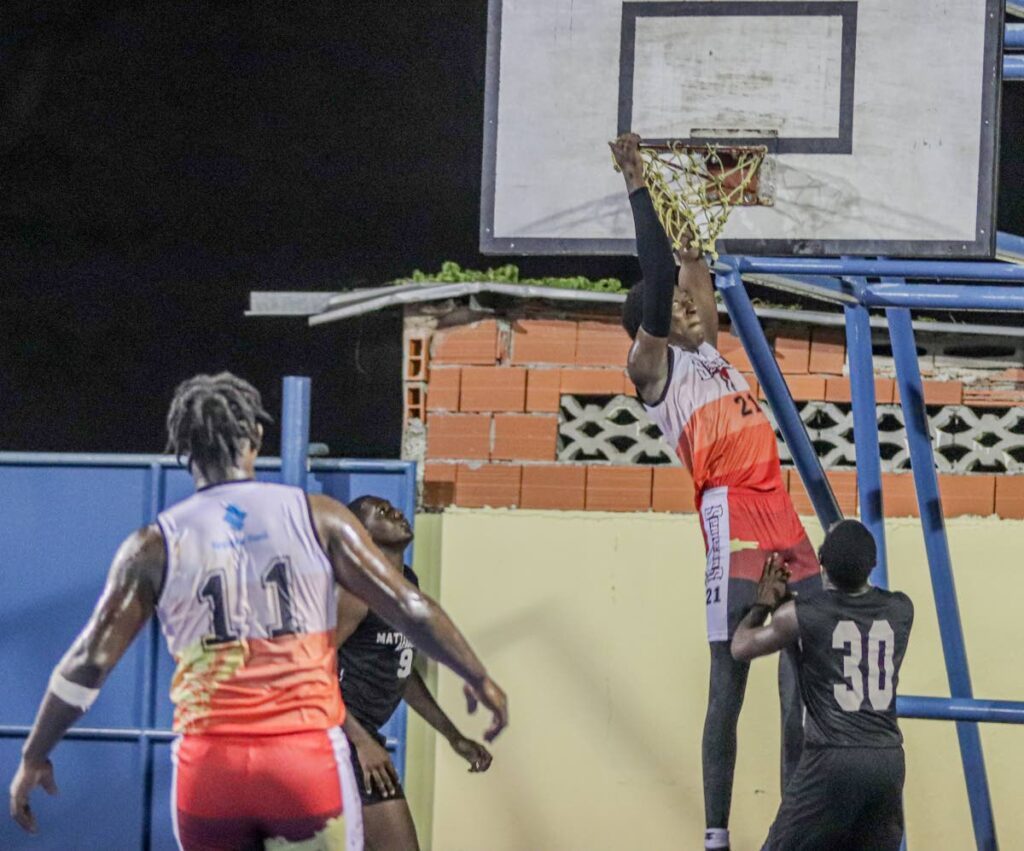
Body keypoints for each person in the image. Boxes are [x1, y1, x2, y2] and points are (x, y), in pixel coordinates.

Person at [8, 372, 508, 850]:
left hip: (210, 767)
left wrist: (34, 754)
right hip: (303, 759)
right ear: (257, 437)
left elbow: (89, 661)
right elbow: (410, 608)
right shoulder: (318, 517)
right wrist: (475, 674)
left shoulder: (154, 545)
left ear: (182, 449)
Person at [609, 132, 822, 851]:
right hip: (730, 515)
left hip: (781, 513)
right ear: (657, 325)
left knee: (806, 670)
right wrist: (640, 183)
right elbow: (661, 275)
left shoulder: (717, 358)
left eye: (691, 307)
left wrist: (704, 189)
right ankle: (717, 836)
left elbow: (692, 262)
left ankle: (797, 821)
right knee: (728, 684)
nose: (692, 311)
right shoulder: (655, 372)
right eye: (677, 310)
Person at [731, 520, 914, 850]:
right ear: (873, 564)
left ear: (822, 564)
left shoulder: (802, 615)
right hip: (887, 761)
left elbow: (741, 646)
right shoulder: (901, 609)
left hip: (832, 759)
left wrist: (763, 603)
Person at [336, 495, 492, 851]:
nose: (394, 512)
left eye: (392, 507)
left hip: (360, 737)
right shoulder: (357, 592)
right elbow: (313, 673)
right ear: (362, 534)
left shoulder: (406, 581)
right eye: (381, 512)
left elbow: (401, 671)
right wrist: (361, 743)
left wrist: (453, 736)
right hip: (339, 739)